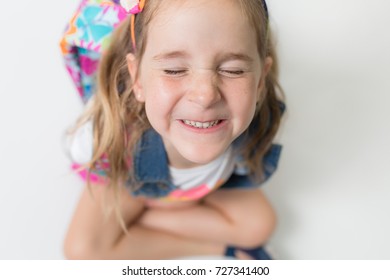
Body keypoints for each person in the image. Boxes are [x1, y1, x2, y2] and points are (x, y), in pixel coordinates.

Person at [60, 0, 285, 260]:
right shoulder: (111, 137)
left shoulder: (257, 121)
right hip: (129, 183)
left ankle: (147, 217)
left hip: (198, 191)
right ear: (137, 78)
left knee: (260, 225)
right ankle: (220, 248)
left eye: (233, 70)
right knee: (82, 250)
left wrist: (169, 207)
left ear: (260, 81)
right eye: (174, 70)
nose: (205, 95)